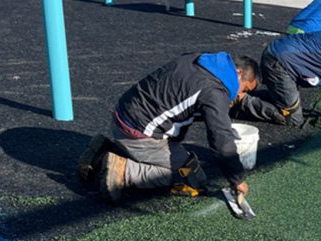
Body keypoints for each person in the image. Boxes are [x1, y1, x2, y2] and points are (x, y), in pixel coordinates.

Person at [76, 52, 259, 204]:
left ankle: (102, 153)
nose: (240, 95)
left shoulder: (198, 59)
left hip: (122, 115)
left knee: (176, 155)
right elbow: (221, 139)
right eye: (244, 89)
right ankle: (124, 171)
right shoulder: (215, 92)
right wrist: (237, 179)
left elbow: (178, 102)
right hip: (139, 132)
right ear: (238, 72)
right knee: (189, 174)